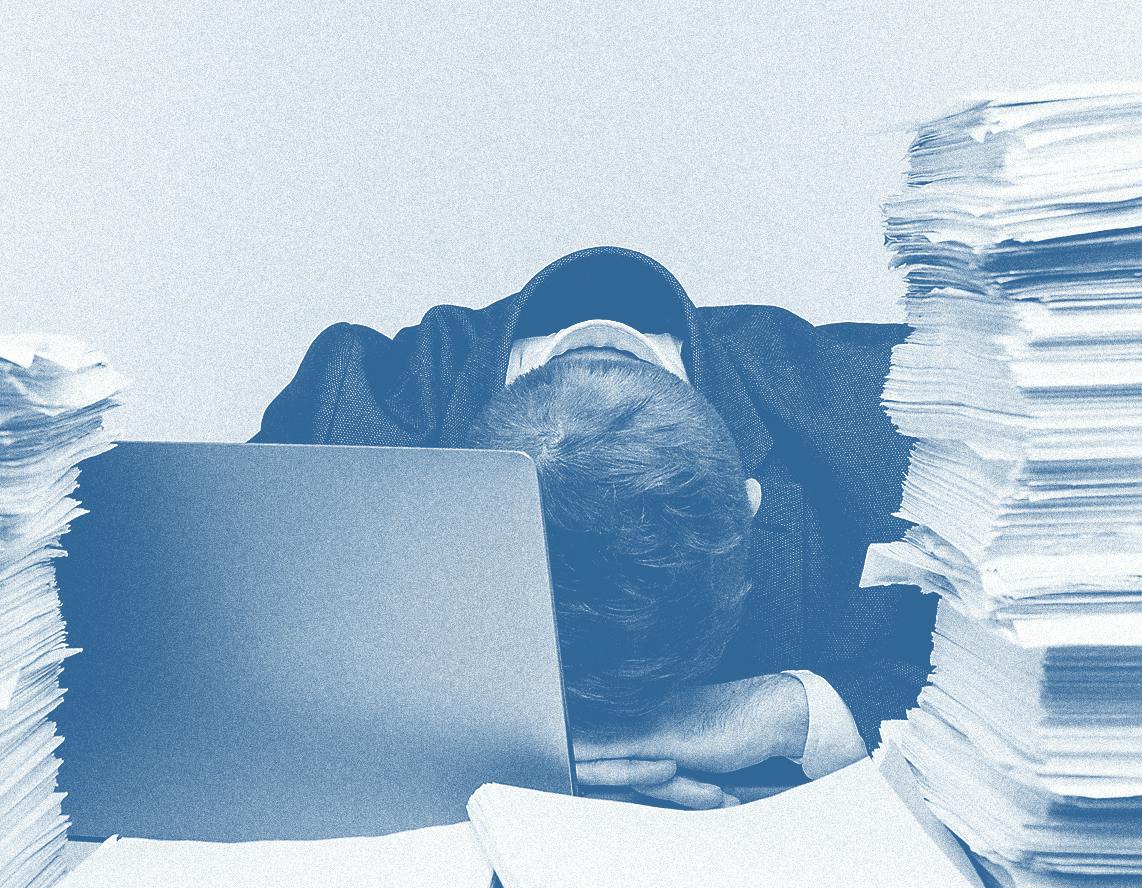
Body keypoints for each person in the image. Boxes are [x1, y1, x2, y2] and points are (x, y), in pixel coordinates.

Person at [253, 246, 933, 808]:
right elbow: (203, 683)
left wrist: (786, 709)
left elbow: (1031, 682)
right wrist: (474, 747)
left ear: (750, 507)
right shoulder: (338, 424)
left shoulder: (905, 410)